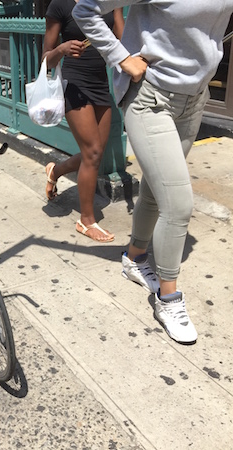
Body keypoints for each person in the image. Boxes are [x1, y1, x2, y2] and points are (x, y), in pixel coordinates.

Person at [73, 0, 233, 344]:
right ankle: (168, 299)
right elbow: (85, 9)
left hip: (195, 99)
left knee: (155, 191)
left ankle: (133, 257)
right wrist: (120, 57)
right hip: (151, 98)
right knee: (178, 205)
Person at [42, 0, 124, 243]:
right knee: (93, 151)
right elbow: (45, 59)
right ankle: (86, 221)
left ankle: (54, 171)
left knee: (95, 153)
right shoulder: (60, 5)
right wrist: (62, 49)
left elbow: (122, 37)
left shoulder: (110, 2)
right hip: (74, 84)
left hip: (100, 83)